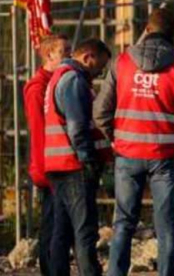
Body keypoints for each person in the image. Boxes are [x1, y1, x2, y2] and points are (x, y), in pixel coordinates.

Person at [94, 9, 174, 276]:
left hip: (127, 155)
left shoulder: (122, 63)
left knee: (123, 222)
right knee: (167, 225)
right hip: (166, 157)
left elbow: (100, 111)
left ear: (147, 30)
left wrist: (116, 139)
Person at [44, 38, 113, 276]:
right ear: (87, 58)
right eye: (99, 66)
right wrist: (88, 159)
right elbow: (77, 127)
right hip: (74, 165)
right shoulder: (74, 80)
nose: (99, 72)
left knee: (61, 231)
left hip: (57, 165)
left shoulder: (57, 78)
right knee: (84, 231)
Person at [23, 34, 74, 276]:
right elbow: (38, 130)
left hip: (57, 162)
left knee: (58, 223)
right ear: (49, 55)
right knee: (52, 224)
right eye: (64, 52)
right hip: (49, 165)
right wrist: (45, 167)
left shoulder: (58, 81)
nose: (70, 56)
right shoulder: (38, 87)